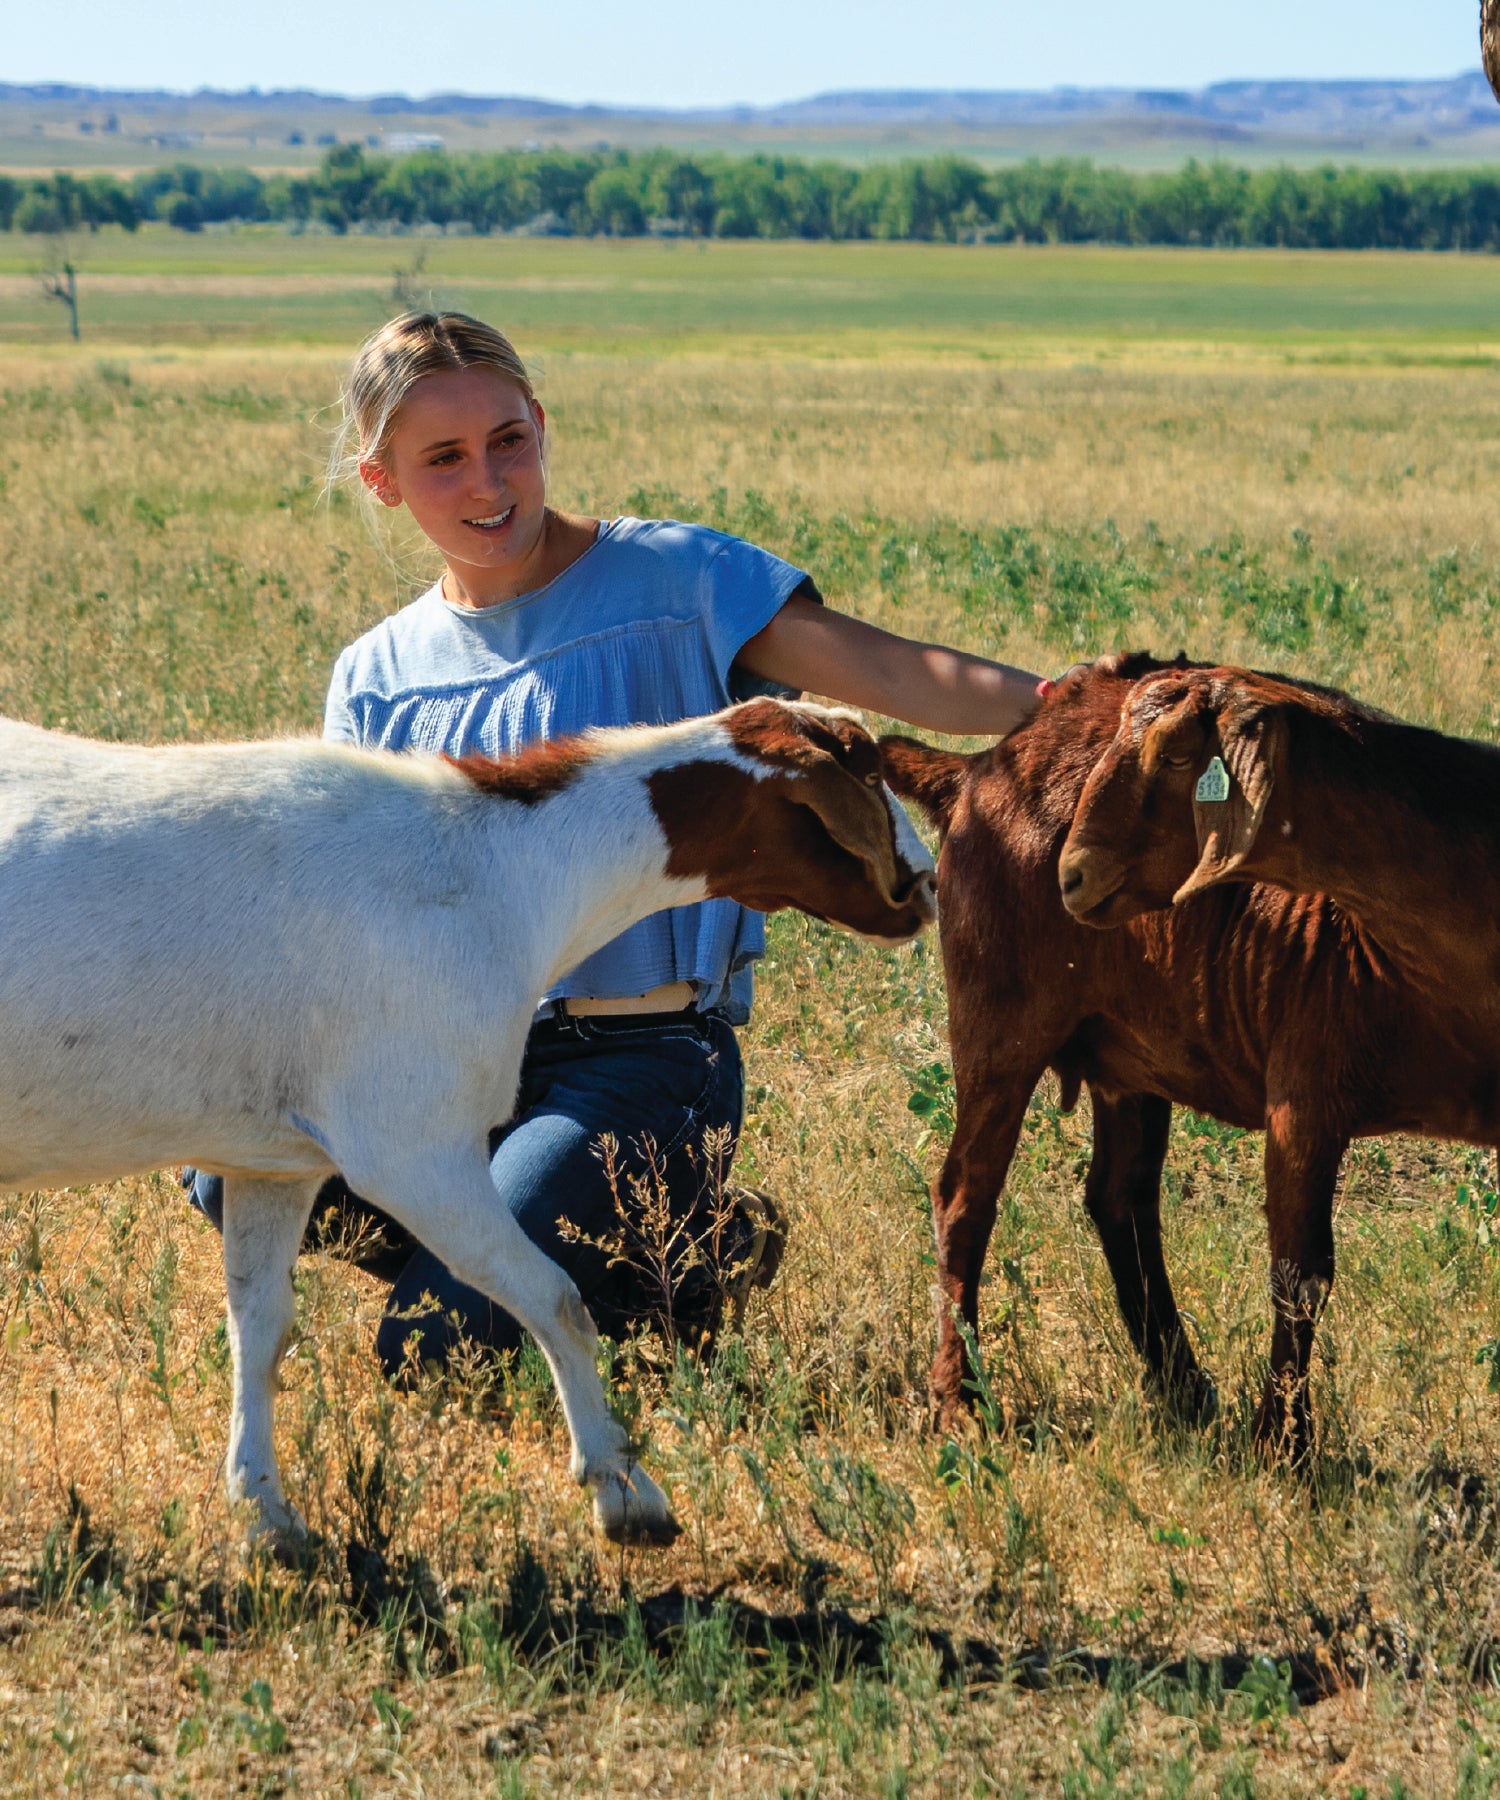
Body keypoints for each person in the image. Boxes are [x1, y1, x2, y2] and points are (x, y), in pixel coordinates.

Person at [188, 309, 1044, 1379]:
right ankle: (650, 1263)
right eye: (443, 459)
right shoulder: (375, 674)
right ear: (383, 480)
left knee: (431, 1347)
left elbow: (893, 674)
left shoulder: (677, 582)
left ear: (541, 425)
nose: (489, 480)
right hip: (447, 1060)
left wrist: (1074, 703)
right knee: (223, 1169)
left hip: (636, 1061)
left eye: (508, 439)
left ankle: (596, 1238)